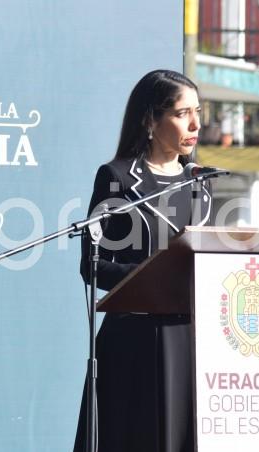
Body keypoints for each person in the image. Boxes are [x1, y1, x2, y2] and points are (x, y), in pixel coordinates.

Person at [73, 70, 212, 452]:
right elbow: (93, 264)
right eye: (183, 114)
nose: (196, 124)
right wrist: (152, 277)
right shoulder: (117, 178)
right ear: (151, 119)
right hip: (133, 344)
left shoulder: (199, 182)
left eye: (198, 112)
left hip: (189, 342)